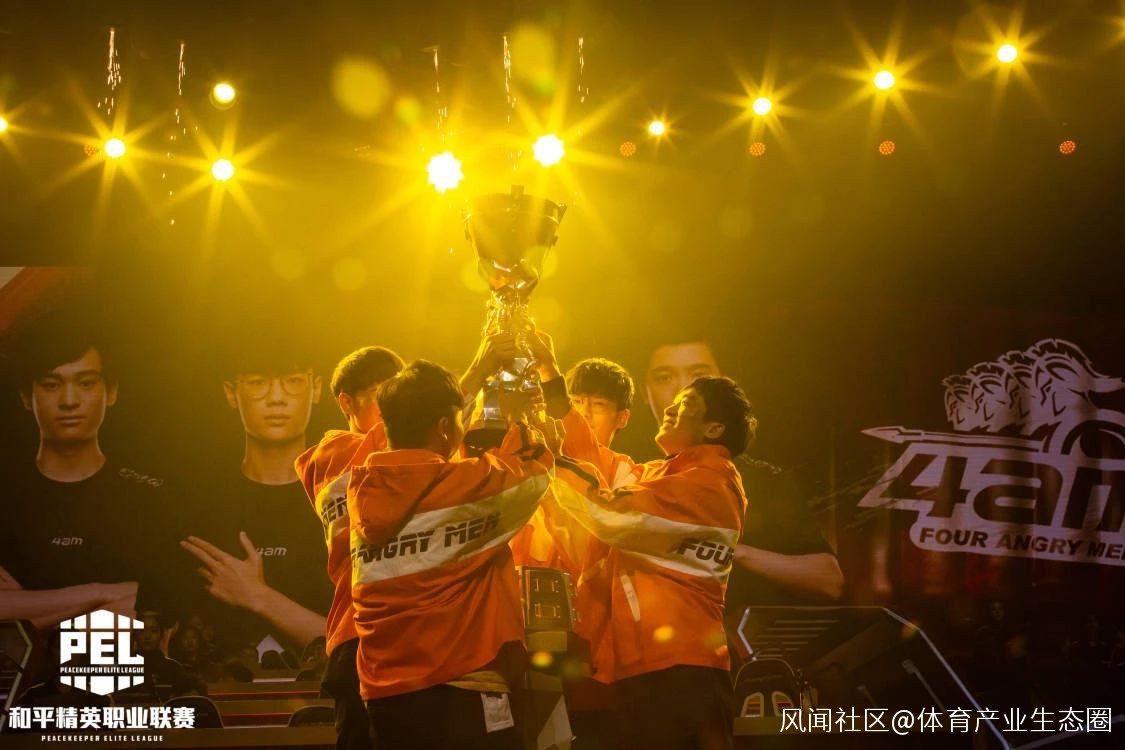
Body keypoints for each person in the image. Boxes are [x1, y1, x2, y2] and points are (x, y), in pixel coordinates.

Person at [349, 360, 554, 749]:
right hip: (463, 691)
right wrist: (521, 417)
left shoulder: (363, 488)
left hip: (384, 698)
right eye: (460, 420)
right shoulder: (465, 485)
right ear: (445, 426)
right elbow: (535, 467)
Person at [548, 375, 754, 750]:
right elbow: (590, 460)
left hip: (681, 669)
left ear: (714, 428)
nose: (670, 408)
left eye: (687, 403)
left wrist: (541, 457)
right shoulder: (661, 475)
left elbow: (606, 509)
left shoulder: (710, 482)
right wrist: (551, 385)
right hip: (648, 667)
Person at [645, 340, 844, 610]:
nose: (681, 388)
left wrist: (729, 551)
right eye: (664, 377)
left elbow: (828, 581)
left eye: (699, 376)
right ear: (646, 392)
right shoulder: (638, 480)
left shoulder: (765, 484)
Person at [0, 312, 170, 629]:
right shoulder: (5, 498)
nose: (69, 400)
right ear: (26, 396)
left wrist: (27, 607)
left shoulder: (152, 499)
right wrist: (102, 593)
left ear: (111, 392)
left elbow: (160, 605)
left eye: (86, 383)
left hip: (117, 661)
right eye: (51, 385)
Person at [180, 341, 331, 664]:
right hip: (217, 690)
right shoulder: (197, 506)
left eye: (293, 381)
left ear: (316, 388)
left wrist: (259, 597)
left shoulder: (347, 501)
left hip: (328, 691)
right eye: (258, 383)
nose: (276, 398)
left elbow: (370, 646)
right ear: (231, 392)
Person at [296, 345, 403, 750]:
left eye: (399, 393)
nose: (394, 405)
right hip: (356, 633)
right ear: (346, 402)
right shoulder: (331, 454)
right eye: (380, 393)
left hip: (413, 637)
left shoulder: (416, 458)